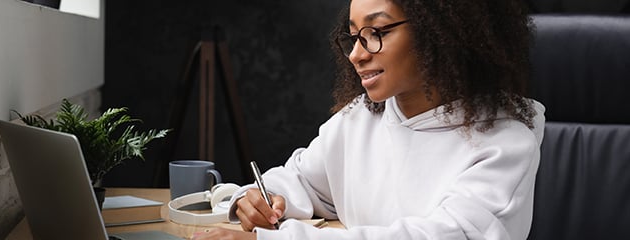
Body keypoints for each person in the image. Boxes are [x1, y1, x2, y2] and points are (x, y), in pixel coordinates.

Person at [194, 0, 545, 239]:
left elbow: (438, 235)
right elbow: (302, 178)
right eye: (353, 36)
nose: (356, 55)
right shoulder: (359, 119)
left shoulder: (504, 145)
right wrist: (263, 196)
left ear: (441, 33)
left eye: (377, 32)